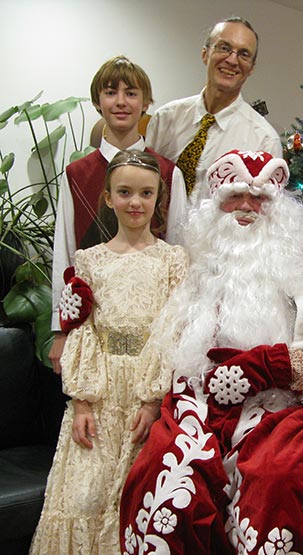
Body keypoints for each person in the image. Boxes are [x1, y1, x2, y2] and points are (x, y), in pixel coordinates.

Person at [118, 150, 303, 555]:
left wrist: (260, 368)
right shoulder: (196, 272)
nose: (247, 207)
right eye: (235, 197)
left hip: (283, 407)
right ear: (216, 207)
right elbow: (174, 353)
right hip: (201, 403)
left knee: (280, 480)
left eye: (259, 198)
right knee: (164, 480)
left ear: (277, 210)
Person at [30, 150, 188, 555]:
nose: (135, 202)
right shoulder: (89, 261)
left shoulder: (173, 260)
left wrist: (153, 402)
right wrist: (82, 402)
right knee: (85, 496)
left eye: (146, 193)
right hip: (99, 396)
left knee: (137, 495)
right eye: (124, 192)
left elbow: (172, 332)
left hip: (147, 393)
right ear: (108, 197)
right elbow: (84, 333)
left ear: (158, 199)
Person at [49, 55, 187, 375]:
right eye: (111, 92)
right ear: (98, 102)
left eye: (131, 93)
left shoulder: (168, 173)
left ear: (145, 102)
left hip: (153, 334)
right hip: (92, 330)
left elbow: (180, 253)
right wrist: (60, 330)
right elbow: (64, 254)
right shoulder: (76, 175)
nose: (121, 101)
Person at [145, 17, 282, 201]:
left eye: (244, 54)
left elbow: (262, 210)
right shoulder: (165, 119)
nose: (232, 60)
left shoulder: (264, 141)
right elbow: (143, 183)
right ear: (205, 54)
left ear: (251, 68)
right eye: (224, 48)